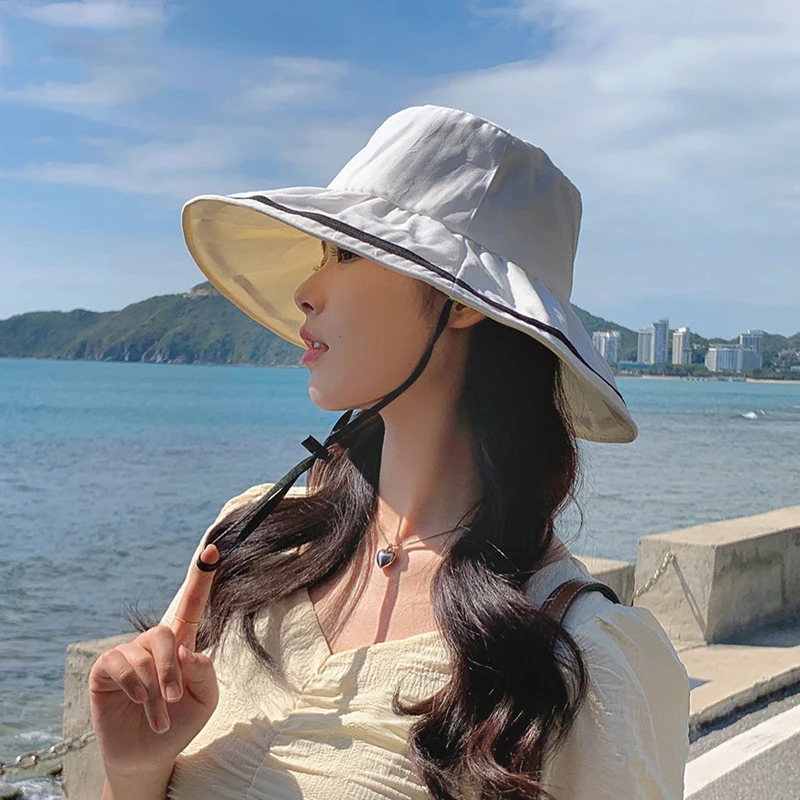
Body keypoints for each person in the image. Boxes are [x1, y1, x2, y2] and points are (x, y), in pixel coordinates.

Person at [89, 104, 690, 800]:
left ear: (462, 301)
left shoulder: (580, 661)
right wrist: (134, 770)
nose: (305, 292)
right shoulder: (255, 535)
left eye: (345, 254)